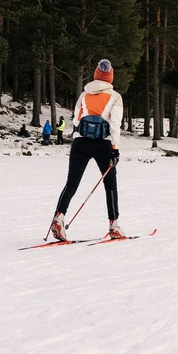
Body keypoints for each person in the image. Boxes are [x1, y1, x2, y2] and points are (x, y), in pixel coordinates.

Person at [50, 59, 125, 242]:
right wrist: (115, 149)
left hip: (80, 142)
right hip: (103, 144)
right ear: (110, 77)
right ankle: (114, 226)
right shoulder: (115, 97)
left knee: (72, 183)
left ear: (96, 75)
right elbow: (115, 125)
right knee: (110, 184)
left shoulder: (84, 94)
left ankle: (59, 218)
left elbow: (76, 120)